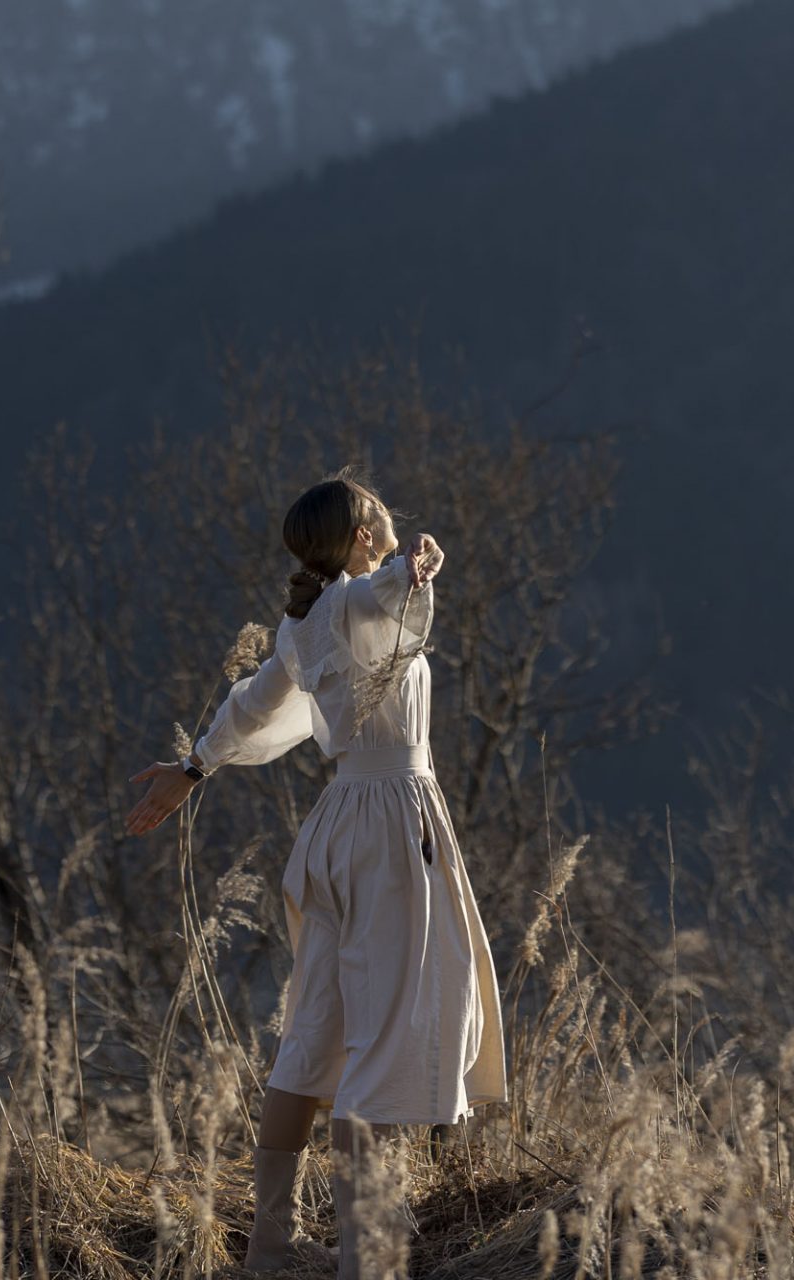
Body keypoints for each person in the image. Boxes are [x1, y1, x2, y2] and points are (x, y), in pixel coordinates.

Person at [124, 471, 507, 1277]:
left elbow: (253, 706)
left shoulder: (304, 624)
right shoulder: (357, 602)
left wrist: (192, 768)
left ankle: (272, 1244)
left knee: (316, 1030)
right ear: (362, 537)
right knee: (382, 1033)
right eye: (382, 520)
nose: (394, 523)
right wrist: (413, 568)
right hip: (391, 827)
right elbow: (380, 597)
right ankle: (365, 1256)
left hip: (337, 828)